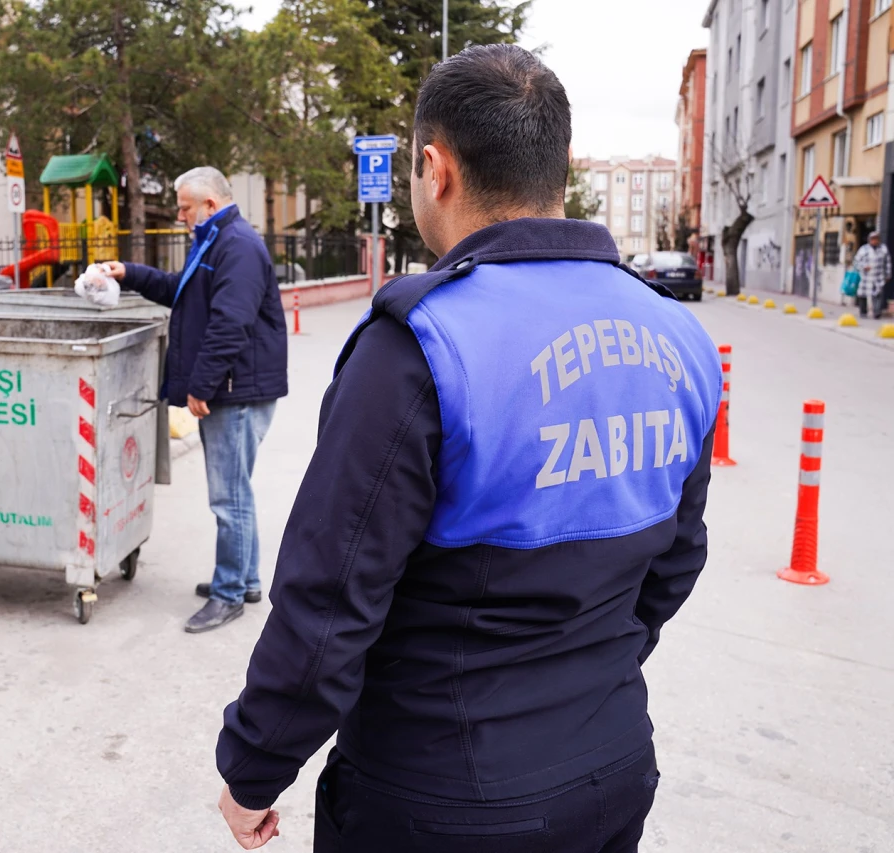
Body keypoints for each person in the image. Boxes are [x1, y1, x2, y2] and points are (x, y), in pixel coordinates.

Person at [212, 45, 724, 852]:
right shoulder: (678, 335)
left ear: (433, 168)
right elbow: (676, 559)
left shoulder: (421, 344)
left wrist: (253, 768)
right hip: (612, 767)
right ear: (556, 170)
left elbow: (330, 599)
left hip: (443, 797)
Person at [103, 167, 288, 634]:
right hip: (235, 387)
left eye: (185, 207)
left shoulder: (237, 246)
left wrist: (201, 386)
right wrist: (130, 273)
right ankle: (243, 580)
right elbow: (181, 293)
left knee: (229, 498)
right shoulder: (214, 240)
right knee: (236, 492)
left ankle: (228, 595)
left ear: (209, 203)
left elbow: (230, 323)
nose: (180, 215)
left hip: (235, 392)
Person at [853, 230, 890, 319]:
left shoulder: (883, 249)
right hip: (866, 276)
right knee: (862, 294)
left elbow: (887, 263)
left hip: (878, 276)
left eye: (876, 239)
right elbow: (856, 262)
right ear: (869, 240)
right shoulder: (863, 249)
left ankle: (877, 312)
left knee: (877, 294)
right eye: (873, 239)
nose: (875, 241)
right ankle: (863, 312)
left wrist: (888, 274)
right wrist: (863, 267)